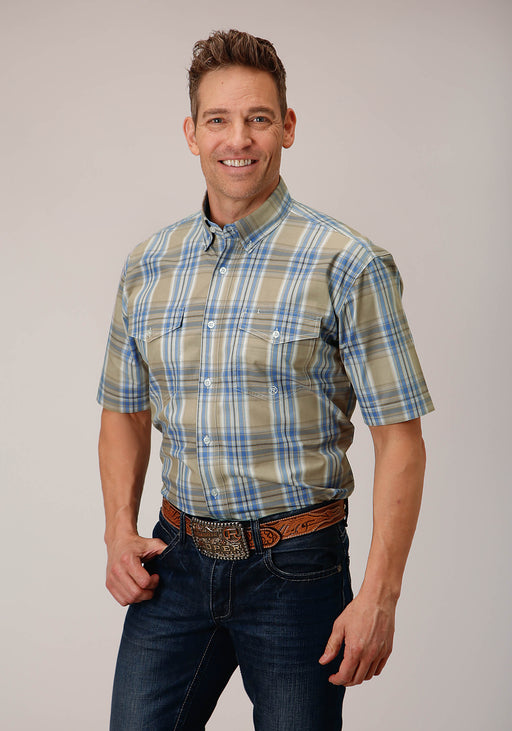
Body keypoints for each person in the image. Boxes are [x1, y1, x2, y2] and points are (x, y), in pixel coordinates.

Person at [98, 29, 434, 731]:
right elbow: (124, 410)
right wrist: (118, 532)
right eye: (218, 119)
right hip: (174, 562)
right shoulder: (148, 264)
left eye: (257, 118)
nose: (238, 139)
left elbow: (400, 438)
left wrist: (380, 595)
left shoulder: (348, 262)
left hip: (297, 570)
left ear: (287, 126)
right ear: (191, 133)